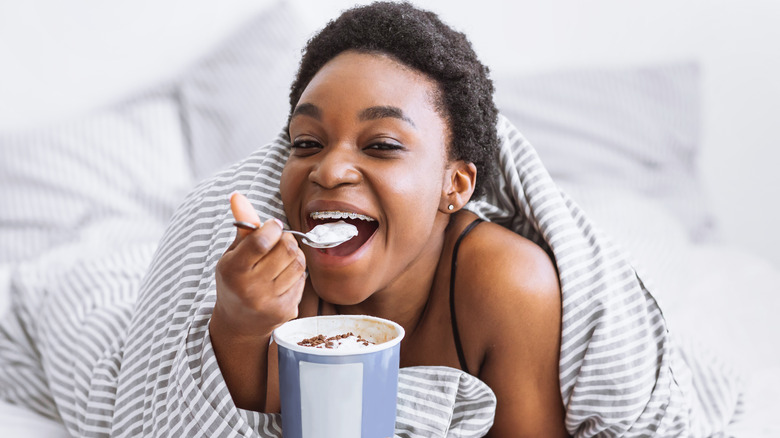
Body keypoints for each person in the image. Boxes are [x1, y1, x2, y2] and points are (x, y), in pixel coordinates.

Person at [209, 2, 569, 436]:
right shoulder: (284, 286)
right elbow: (244, 423)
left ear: (453, 184)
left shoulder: (509, 284)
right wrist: (239, 324)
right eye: (306, 142)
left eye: (381, 145)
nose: (329, 170)